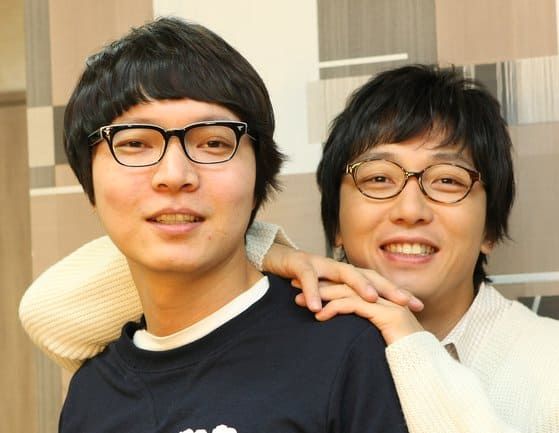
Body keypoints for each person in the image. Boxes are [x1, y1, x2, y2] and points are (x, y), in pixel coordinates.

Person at [20, 63, 559, 431]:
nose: (410, 209)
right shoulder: (317, 340)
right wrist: (257, 249)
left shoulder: (547, 364)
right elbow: (50, 315)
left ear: (490, 228)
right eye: (377, 178)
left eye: (447, 181)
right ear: (337, 224)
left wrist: (409, 342)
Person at [26, 17, 409, 433]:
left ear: (258, 176)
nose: (174, 175)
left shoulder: (345, 351)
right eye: (135, 143)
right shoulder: (91, 396)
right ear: (90, 184)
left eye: (213, 142)